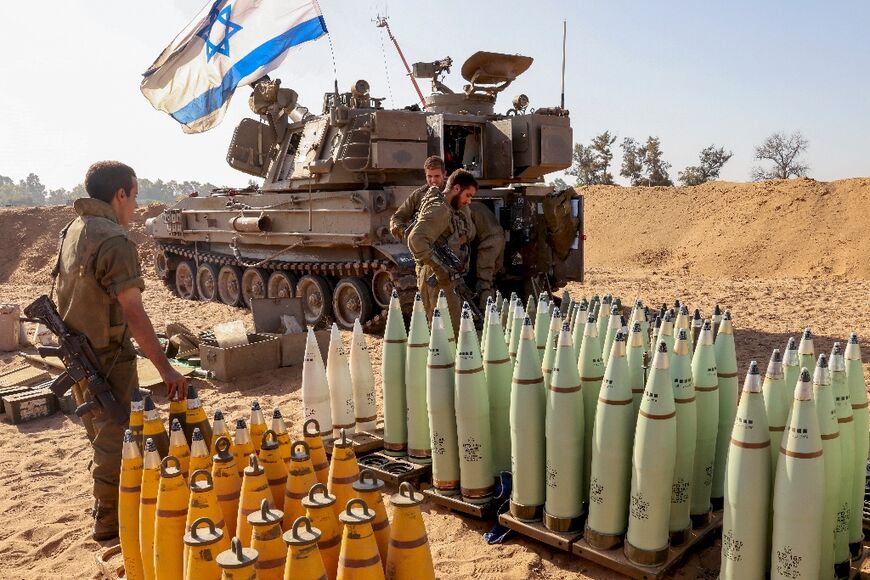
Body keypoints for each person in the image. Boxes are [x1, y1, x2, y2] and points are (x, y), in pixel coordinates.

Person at [54, 161, 187, 541]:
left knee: (103, 436)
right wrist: (167, 369)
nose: (135, 205)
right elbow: (132, 310)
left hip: (79, 355)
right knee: (118, 440)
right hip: (105, 358)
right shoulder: (113, 239)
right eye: (135, 195)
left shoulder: (74, 229)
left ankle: (116, 506)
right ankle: (109, 522)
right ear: (120, 195)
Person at [392, 156, 504, 309]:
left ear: (444, 174)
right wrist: (406, 231)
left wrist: (454, 238)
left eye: (437, 176)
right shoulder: (419, 195)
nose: (433, 180)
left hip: (452, 259)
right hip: (429, 260)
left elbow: (468, 228)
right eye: (429, 176)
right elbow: (397, 218)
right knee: (435, 309)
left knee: (454, 308)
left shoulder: (453, 195)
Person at [407, 169, 479, 326]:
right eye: (468, 195)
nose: (469, 201)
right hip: (437, 278)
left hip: (445, 275)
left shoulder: (449, 209)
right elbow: (416, 239)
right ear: (456, 188)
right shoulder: (440, 209)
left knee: (450, 330)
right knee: (447, 331)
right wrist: (440, 268)